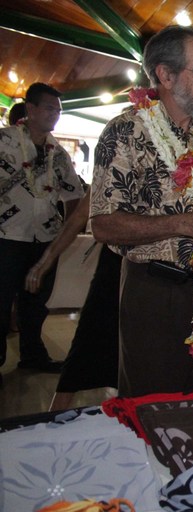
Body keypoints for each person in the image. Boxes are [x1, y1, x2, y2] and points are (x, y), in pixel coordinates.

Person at [89, 26, 193, 397]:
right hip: (154, 288)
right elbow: (103, 225)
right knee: (152, 405)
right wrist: (186, 224)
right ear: (165, 75)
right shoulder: (125, 132)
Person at [1, 82, 85, 379]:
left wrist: (67, 231)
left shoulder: (58, 152)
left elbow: (75, 195)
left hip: (45, 240)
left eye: (59, 111)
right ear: (31, 109)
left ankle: (33, 356)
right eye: (49, 108)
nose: (55, 115)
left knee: (36, 304)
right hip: (7, 238)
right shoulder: (4, 141)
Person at [24, 193, 122, 410]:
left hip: (163, 275)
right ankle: (53, 422)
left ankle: (132, 420)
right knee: (88, 341)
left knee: (142, 356)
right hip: (117, 265)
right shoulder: (119, 159)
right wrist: (46, 260)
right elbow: (81, 214)